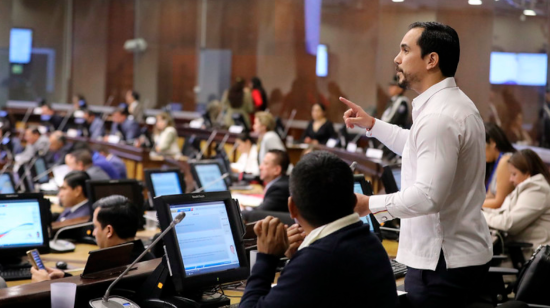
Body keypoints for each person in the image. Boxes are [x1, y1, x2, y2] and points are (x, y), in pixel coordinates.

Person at [340, 22, 493, 307]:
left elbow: (427, 197)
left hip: (442, 266)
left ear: (431, 60)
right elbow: (416, 144)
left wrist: (367, 204)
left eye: (405, 50)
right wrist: (372, 125)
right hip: (457, 260)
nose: (397, 58)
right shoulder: (451, 105)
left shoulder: (439, 117)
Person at [239, 151, 397, 308]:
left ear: (292, 208)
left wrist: (266, 259)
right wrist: (299, 258)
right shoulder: (371, 242)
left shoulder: (316, 261)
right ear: (355, 200)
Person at [31, 195, 155, 282]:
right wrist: (65, 277)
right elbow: (86, 285)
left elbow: (84, 297)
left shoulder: (110, 266)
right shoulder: (146, 257)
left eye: (95, 227)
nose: (94, 233)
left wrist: (44, 284)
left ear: (109, 231)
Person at [483, 149, 550, 250]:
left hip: (528, 254)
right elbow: (503, 213)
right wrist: (480, 211)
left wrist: (480, 216)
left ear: (527, 172)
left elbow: (509, 223)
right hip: (519, 251)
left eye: (514, 174)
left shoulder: (537, 190)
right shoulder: (526, 188)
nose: (510, 179)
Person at [484, 123, 516, 209]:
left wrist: (469, 207)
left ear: (492, 142)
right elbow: (490, 195)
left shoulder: (506, 160)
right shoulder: (496, 161)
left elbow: (499, 202)